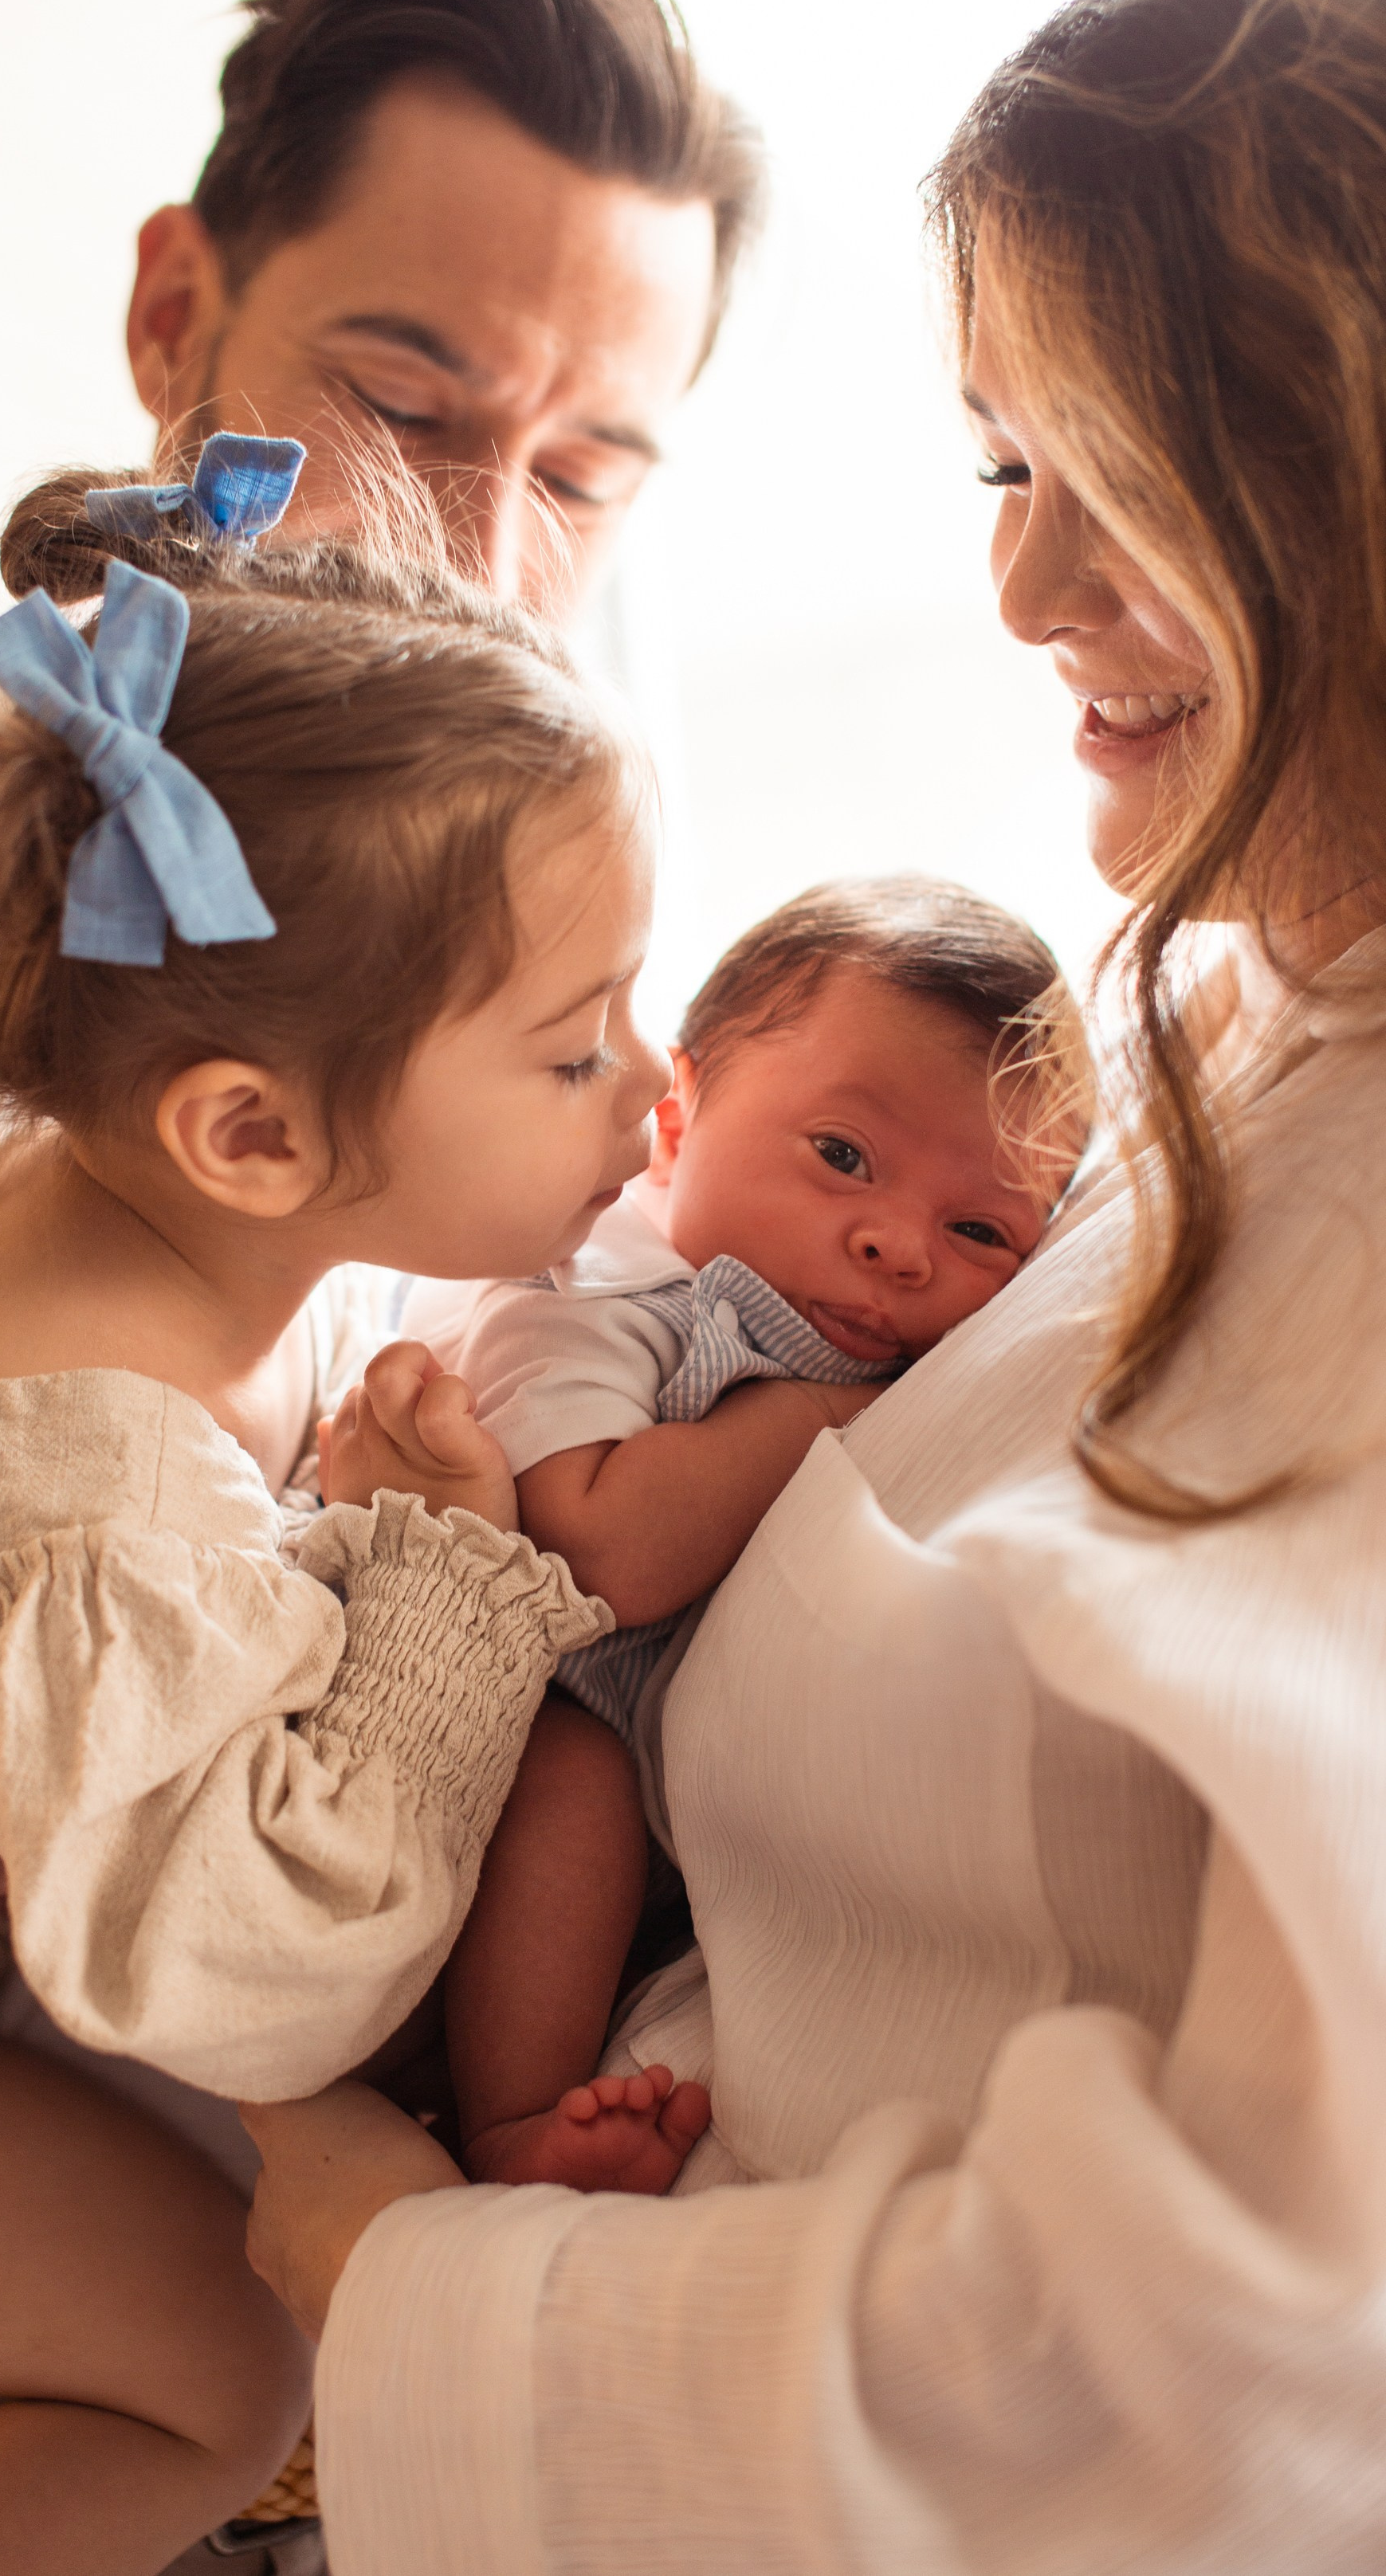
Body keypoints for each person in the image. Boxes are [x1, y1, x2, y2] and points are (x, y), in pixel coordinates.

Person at [239, 0, 1386, 2565]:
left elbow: (1239, 2379)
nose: (1021, 590)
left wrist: (403, 2276)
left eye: (1133, 463)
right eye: (1002, 462)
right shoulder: (1202, 1031)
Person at [0, 0, 760, 2099]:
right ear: (173, 326)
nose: (489, 559)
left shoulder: (602, 1060)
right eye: (410, 415)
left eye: (586, 476)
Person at [0, 440, 672, 2569]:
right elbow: (246, 1981)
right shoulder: (83, 1482)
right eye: (579, 1050)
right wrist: (445, 1590)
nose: (657, 1096)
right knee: (224, 2362)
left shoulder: (137, 1210)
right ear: (255, 1132)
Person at [391, 878, 1086, 2190]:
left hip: (645, 1797)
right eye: (841, 1157)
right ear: (673, 1122)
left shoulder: (907, 1361)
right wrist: (815, 1415)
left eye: (981, 1229)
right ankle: (508, 2128)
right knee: (578, 1773)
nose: (893, 1245)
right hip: (480, 1710)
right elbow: (600, 1551)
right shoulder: (594, 1287)